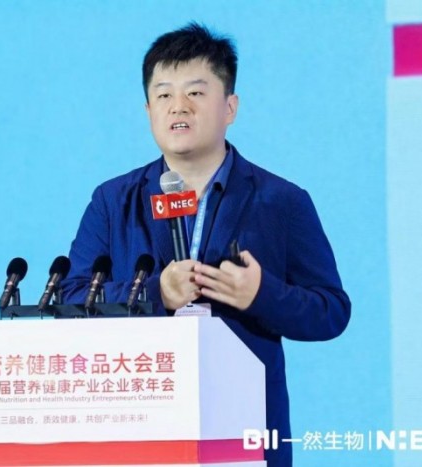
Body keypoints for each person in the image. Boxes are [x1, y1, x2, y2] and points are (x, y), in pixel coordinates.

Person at [61, 22, 351, 467]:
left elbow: (331, 311)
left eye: (196, 92)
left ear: (229, 107)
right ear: (148, 109)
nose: (178, 106)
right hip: (138, 429)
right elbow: (71, 298)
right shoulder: (112, 200)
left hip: (244, 431)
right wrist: (156, 293)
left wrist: (261, 294)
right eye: (163, 95)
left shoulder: (282, 201)